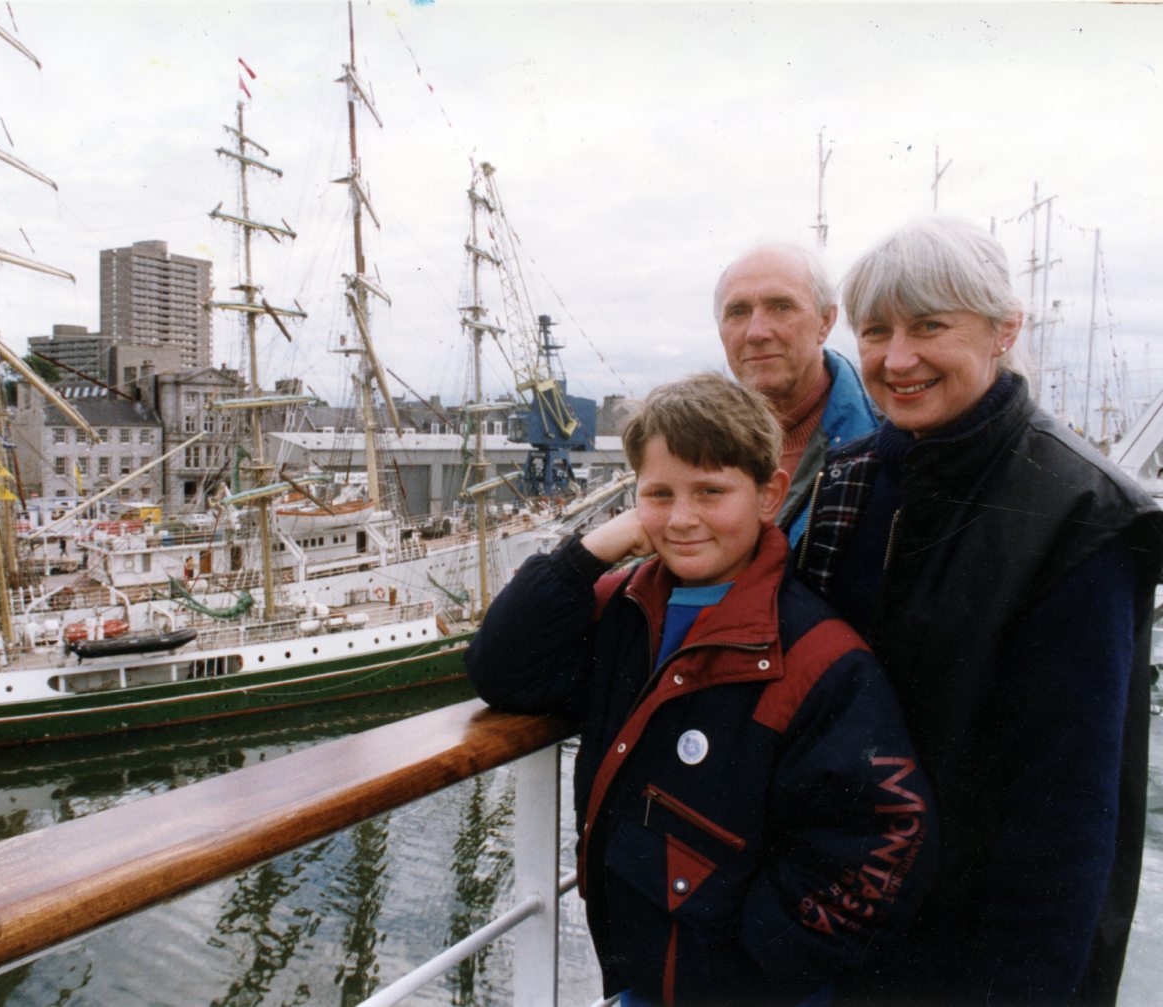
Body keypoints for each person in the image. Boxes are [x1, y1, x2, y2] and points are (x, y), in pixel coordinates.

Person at [466, 373, 936, 1005]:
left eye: (711, 492)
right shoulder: (625, 607)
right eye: (659, 494)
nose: (683, 519)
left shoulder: (816, 656)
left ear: (770, 494)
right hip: (646, 971)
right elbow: (502, 669)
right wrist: (591, 552)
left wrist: (753, 963)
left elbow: (887, 838)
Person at [795, 216, 1163, 1005]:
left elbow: (1069, 818)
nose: (898, 359)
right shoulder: (855, 478)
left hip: (980, 958)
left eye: (931, 325)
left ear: (1004, 331)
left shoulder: (1082, 511)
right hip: (846, 930)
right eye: (877, 330)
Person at [715, 244, 877, 542]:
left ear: (825, 321)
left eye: (781, 307)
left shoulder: (889, 442)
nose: (756, 332)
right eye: (738, 312)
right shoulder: (696, 443)